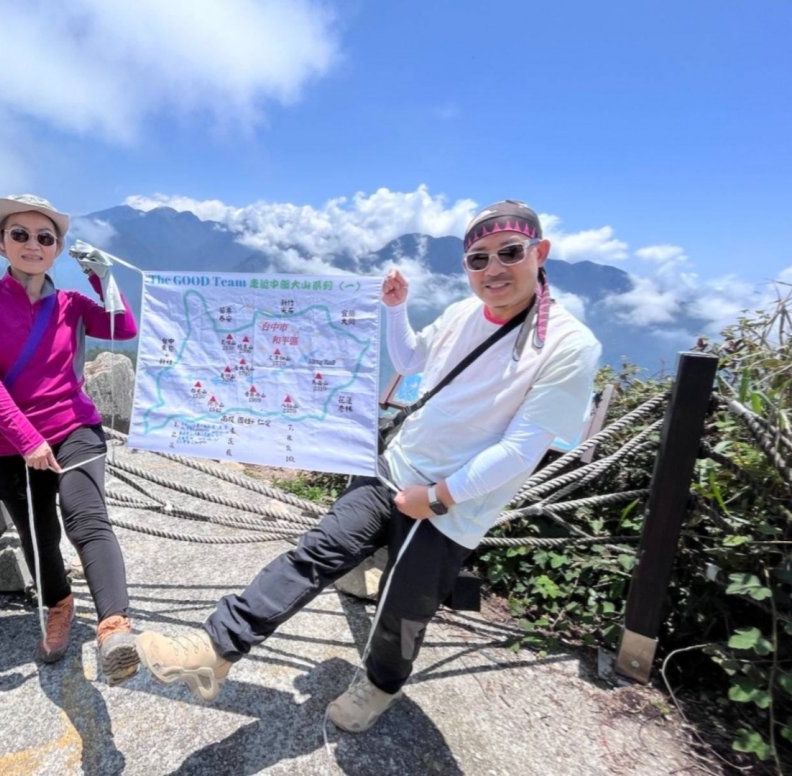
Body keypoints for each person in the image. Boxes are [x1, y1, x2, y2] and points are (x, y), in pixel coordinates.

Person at [133, 200, 602, 730]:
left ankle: (379, 685)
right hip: (392, 467)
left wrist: (438, 498)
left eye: (509, 253)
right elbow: (410, 360)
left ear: (540, 253)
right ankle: (214, 648)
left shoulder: (569, 344)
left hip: (453, 506)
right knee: (315, 552)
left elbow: (521, 450)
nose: (493, 269)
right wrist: (396, 309)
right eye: (478, 259)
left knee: (406, 610)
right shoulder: (463, 313)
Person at [0, 194, 140, 684]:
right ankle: (59, 606)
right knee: (38, 533)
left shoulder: (72, 304)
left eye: (45, 237)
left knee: (87, 517)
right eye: (20, 234)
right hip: (9, 441)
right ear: (1, 242)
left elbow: (123, 328)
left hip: (74, 426)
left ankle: (114, 627)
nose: (32, 245)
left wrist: (104, 278)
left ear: (57, 249)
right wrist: (28, 441)